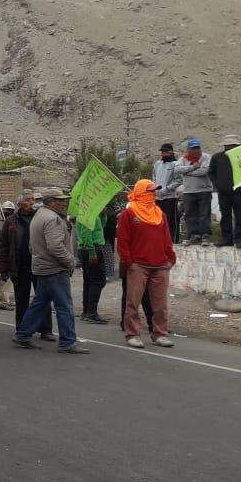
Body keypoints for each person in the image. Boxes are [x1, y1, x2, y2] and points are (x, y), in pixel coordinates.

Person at [12, 187, 89, 354]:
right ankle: (68, 341)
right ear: (51, 202)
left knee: (40, 303)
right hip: (54, 268)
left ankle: (23, 334)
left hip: (43, 267)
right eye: (61, 200)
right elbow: (55, 247)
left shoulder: (39, 216)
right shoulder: (52, 218)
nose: (65, 203)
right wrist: (70, 261)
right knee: (64, 306)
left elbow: (33, 246)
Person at [118, 180, 177, 348]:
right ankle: (132, 334)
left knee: (160, 304)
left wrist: (170, 258)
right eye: (149, 191)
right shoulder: (128, 214)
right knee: (133, 302)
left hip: (160, 265)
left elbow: (167, 238)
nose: (152, 194)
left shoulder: (160, 213)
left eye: (154, 191)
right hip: (139, 265)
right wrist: (129, 261)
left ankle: (159, 333)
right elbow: (123, 240)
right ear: (139, 192)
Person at [0, 191, 55, 342]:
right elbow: (3, 246)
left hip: (39, 265)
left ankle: (46, 330)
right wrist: (3, 269)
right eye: (27, 200)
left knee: (43, 298)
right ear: (19, 204)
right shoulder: (10, 221)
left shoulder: (40, 218)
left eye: (32, 199)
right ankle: (23, 330)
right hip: (20, 266)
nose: (31, 202)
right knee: (21, 300)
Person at [208, 135, 241, 249]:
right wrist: (218, 185)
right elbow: (211, 172)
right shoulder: (217, 157)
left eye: (234, 145)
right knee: (225, 216)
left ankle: (240, 239)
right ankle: (227, 239)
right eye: (229, 145)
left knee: (240, 216)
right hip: (223, 192)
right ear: (225, 146)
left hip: (239, 190)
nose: (231, 147)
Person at [174, 139, 212, 244]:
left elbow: (204, 171)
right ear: (188, 150)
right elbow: (177, 170)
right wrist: (193, 167)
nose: (196, 150)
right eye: (193, 148)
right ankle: (194, 235)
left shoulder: (206, 157)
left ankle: (205, 235)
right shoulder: (183, 159)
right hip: (189, 191)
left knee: (204, 214)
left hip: (204, 190)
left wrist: (187, 172)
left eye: (197, 148)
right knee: (190, 214)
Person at [76, 208, 108, 324]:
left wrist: (103, 215)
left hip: (88, 248)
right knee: (98, 281)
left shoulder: (92, 213)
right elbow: (86, 233)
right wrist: (92, 251)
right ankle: (91, 312)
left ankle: (87, 311)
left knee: (89, 281)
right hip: (91, 248)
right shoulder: (88, 213)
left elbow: (100, 228)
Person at [152, 143, 182, 244]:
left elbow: (178, 180)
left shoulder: (176, 164)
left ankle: (172, 242)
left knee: (170, 221)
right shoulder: (157, 164)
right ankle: (160, 242)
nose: (163, 154)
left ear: (171, 152)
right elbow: (154, 178)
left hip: (170, 197)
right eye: (162, 152)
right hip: (158, 198)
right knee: (158, 221)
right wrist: (155, 189)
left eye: (166, 152)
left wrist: (166, 189)